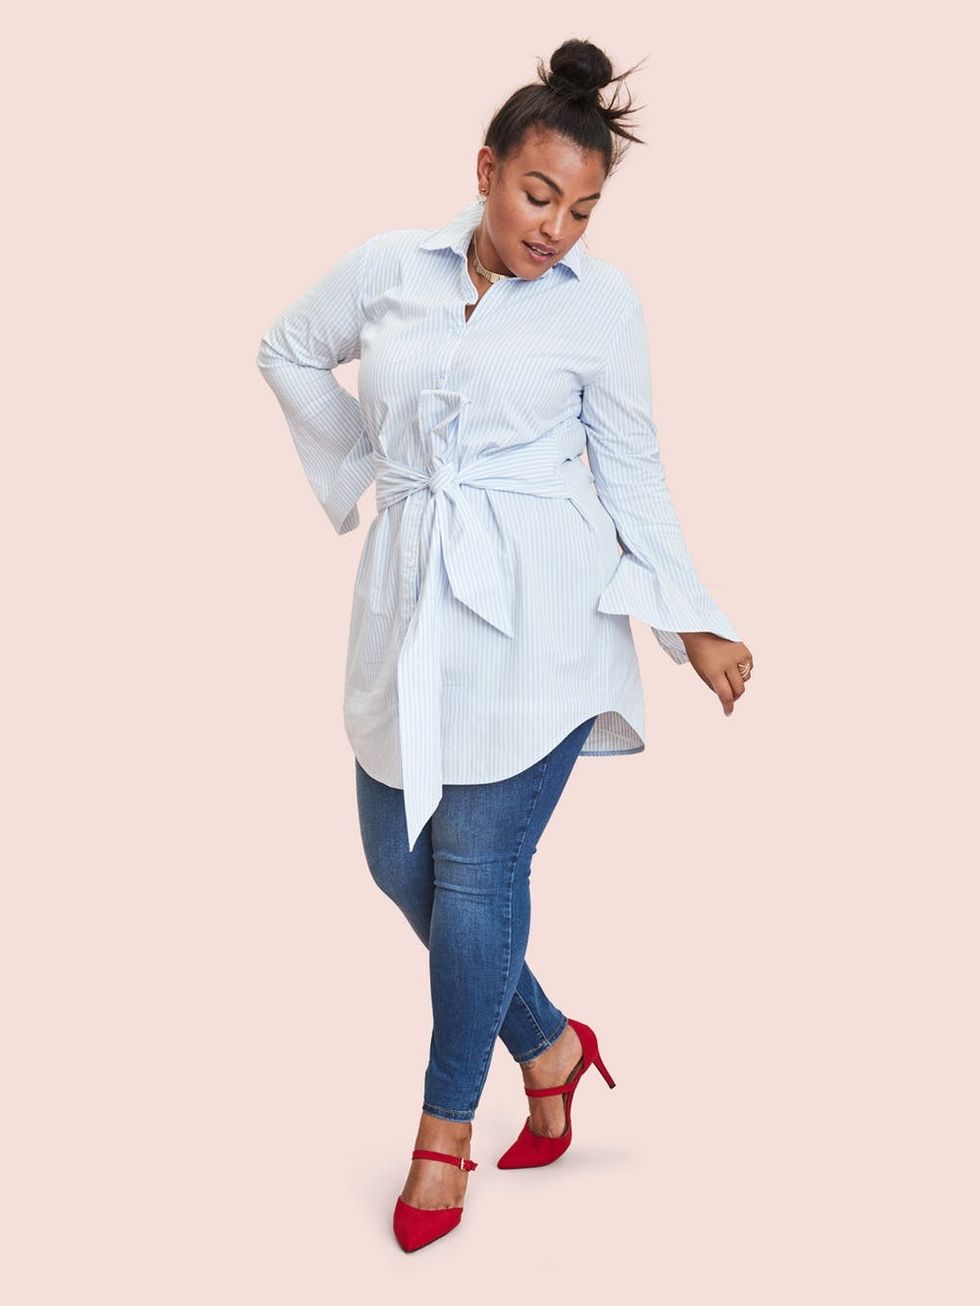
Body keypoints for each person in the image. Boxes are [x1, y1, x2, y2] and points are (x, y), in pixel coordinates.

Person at [256, 37, 754, 1253]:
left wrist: (691, 620)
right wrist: (367, 471)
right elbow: (286, 347)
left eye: (581, 210)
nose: (556, 230)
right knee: (399, 861)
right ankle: (548, 1043)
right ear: (485, 171)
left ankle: (443, 1133)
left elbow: (632, 466)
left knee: (480, 877)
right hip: (410, 602)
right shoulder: (389, 267)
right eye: (538, 196)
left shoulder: (601, 308)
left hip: (543, 615)